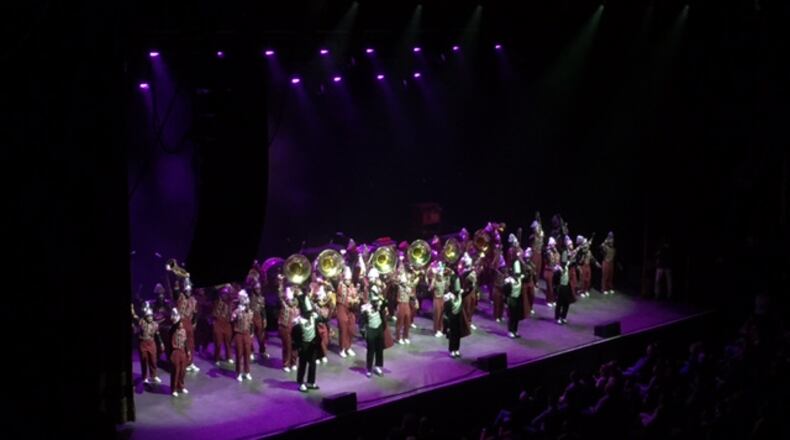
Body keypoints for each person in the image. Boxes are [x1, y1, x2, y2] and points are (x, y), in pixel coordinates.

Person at [131, 301, 164, 386]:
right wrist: (132, 310)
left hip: (151, 343)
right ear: (146, 317)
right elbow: (135, 316)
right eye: (148, 317)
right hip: (143, 344)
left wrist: (161, 343)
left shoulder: (155, 324)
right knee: (144, 360)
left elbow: (157, 334)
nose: (150, 318)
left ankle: (154, 375)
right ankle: (144, 377)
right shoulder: (142, 322)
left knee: (153, 360)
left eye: (151, 316)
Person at [291, 304, 321, 392]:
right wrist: (297, 347)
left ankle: (311, 382)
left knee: (312, 364)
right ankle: (301, 383)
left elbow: (323, 320)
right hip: (303, 344)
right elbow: (294, 335)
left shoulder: (313, 317)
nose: (310, 314)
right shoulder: (298, 322)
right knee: (302, 364)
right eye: (308, 312)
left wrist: (318, 315)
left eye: (310, 312)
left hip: (312, 344)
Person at [360, 293, 388, 377]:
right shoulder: (365, 308)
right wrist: (363, 332)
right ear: (371, 301)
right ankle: (369, 369)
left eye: (377, 301)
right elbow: (362, 321)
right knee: (370, 350)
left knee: (379, 349)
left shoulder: (380, 305)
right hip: (371, 329)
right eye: (374, 301)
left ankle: (378, 366)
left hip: (379, 328)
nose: (376, 302)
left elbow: (386, 303)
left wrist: (382, 299)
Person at [444, 269, 468, 358]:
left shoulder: (460, 293)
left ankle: (457, 349)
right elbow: (446, 308)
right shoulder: (448, 295)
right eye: (456, 284)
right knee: (452, 333)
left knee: (458, 333)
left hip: (459, 314)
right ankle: (451, 349)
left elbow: (467, 292)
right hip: (451, 316)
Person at [231, 290, 254, 381]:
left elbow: (251, 323)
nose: (246, 304)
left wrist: (252, 333)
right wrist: (237, 312)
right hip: (239, 334)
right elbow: (231, 319)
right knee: (239, 354)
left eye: (247, 302)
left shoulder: (250, 312)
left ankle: (247, 372)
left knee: (247, 354)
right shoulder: (237, 311)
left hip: (247, 334)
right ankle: (239, 373)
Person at [169, 308, 190, 397]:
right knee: (176, 371)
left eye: (182, 322)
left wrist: (188, 350)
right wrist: (175, 314)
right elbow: (174, 322)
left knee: (182, 371)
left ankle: (181, 386)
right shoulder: (172, 330)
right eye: (180, 322)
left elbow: (185, 341)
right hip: (175, 351)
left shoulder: (183, 330)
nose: (181, 324)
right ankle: (174, 389)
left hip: (182, 351)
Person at [504, 261, 525, 338]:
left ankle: (515, 330)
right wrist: (506, 302)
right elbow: (506, 292)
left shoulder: (520, 278)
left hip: (518, 299)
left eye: (518, 274)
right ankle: (510, 331)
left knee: (516, 317)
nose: (517, 276)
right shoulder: (509, 281)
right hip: (511, 299)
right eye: (516, 274)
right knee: (511, 316)